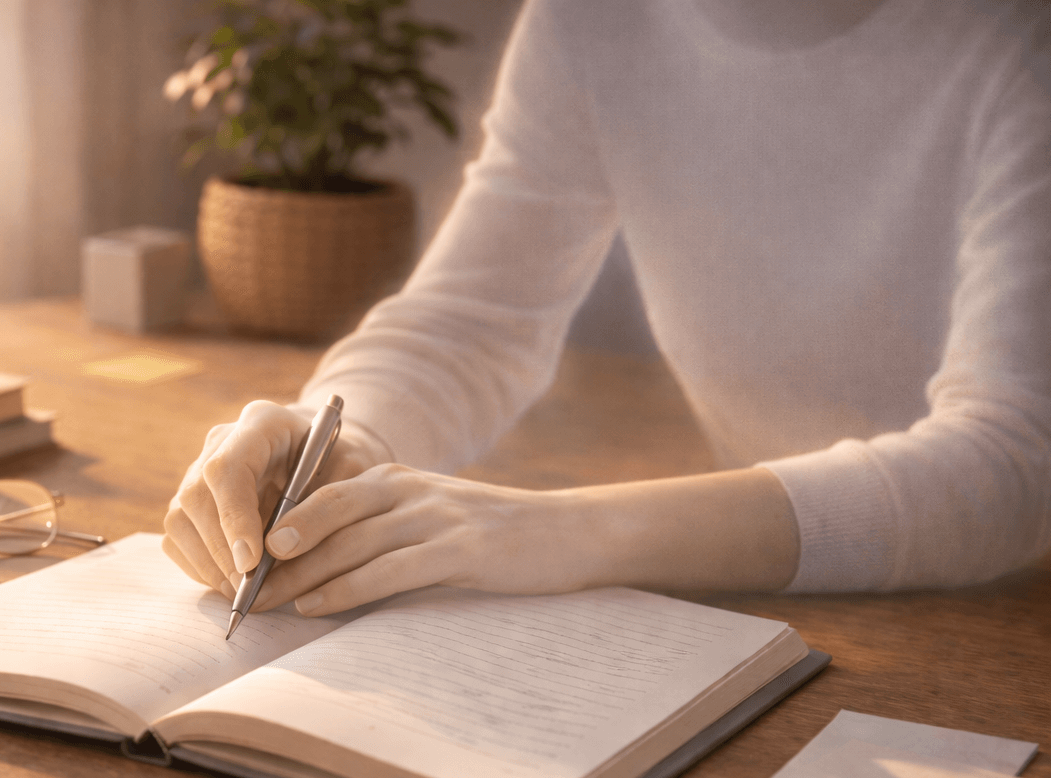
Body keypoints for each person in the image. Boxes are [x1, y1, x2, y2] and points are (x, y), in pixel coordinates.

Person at [164, 0, 1051, 619]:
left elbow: (1017, 464)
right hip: (771, 601)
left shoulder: (1017, 35)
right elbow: (469, 322)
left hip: (1005, 624)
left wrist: (562, 529)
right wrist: (348, 438)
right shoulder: (595, 18)